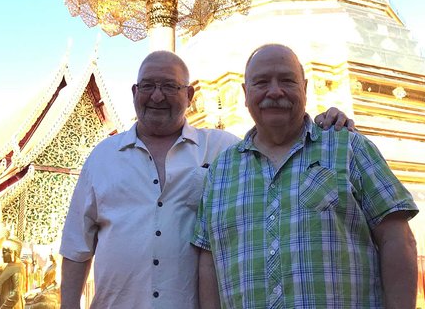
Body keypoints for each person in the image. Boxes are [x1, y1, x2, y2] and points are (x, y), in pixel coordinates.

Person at [59, 50, 354, 309]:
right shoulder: (103, 157)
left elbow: (281, 156)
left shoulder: (226, 149)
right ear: (135, 92)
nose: (157, 96)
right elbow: (77, 247)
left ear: (190, 96)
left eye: (170, 86)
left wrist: (325, 125)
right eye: (148, 86)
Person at [193, 44, 419, 309]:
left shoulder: (348, 147)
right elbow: (209, 262)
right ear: (245, 93)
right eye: (261, 82)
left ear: (305, 88)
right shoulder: (221, 170)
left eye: (287, 80)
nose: (275, 91)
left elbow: (397, 239)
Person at [0, 237, 26, 309]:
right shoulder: (10, 265)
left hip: (12, 306)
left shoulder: (17, 268)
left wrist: (4, 307)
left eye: (4, 252)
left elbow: (16, 292)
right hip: (4, 302)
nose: (2, 256)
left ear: (14, 253)